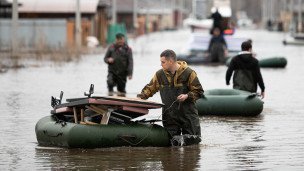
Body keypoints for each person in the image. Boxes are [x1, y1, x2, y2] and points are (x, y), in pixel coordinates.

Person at [137, 49, 203, 146]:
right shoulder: (159, 74)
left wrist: (187, 96)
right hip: (169, 115)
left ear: (171, 61)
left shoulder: (189, 73)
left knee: (193, 146)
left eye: (163, 62)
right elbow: (149, 89)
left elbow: (199, 91)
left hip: (188, 115)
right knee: (170, 147)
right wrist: (139, 98)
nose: (161, 64)